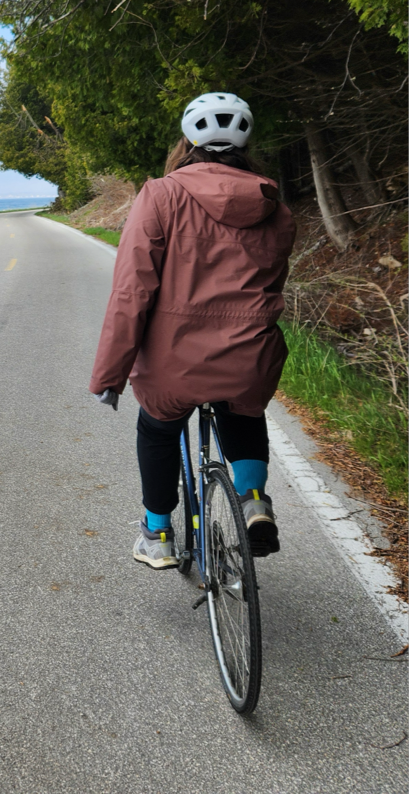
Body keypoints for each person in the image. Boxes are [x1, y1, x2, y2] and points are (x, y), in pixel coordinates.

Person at [89, 92, 297, 570]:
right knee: (242, 411)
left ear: (186, 141)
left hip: (173, 364)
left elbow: (131, 292)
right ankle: (254, 501)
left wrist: (109, 377)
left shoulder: (160, 196)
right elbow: (270, 286)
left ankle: (157, 531)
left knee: (158, 431)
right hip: (249, 358)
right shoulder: (274, 208)